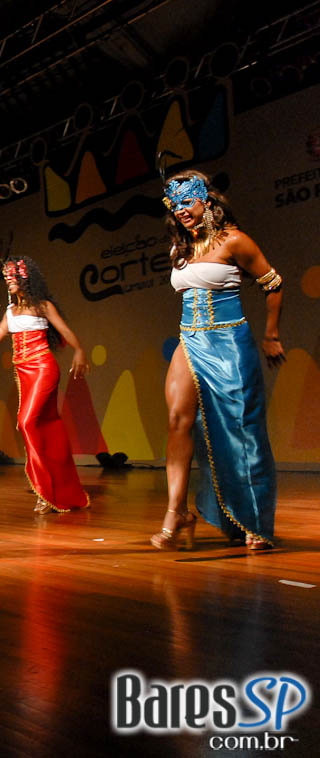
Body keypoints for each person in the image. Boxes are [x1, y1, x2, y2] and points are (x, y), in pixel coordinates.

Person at [151, 170, 283, 551]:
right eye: (175, 206)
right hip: (189, 339)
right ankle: (176, 512)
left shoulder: (235, 240)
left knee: (241, 430)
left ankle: (254, 522)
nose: (181, 211)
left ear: (206, 202)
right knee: (177, 420)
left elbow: (273, 285)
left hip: (228, 341)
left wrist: (271, 336)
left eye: (187, 202)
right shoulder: (179, 249)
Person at [0, 255, 90, 514]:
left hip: (43, 368)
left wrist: (80, 350)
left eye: (12, 276)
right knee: (46, 427)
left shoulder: (43, 306)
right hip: (23, 373)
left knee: (26, 422)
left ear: (24, 277)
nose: (8, 281)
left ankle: (44, 489)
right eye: (5, 278)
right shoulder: (10, 311)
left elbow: (65, 331)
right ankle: (53, 490)